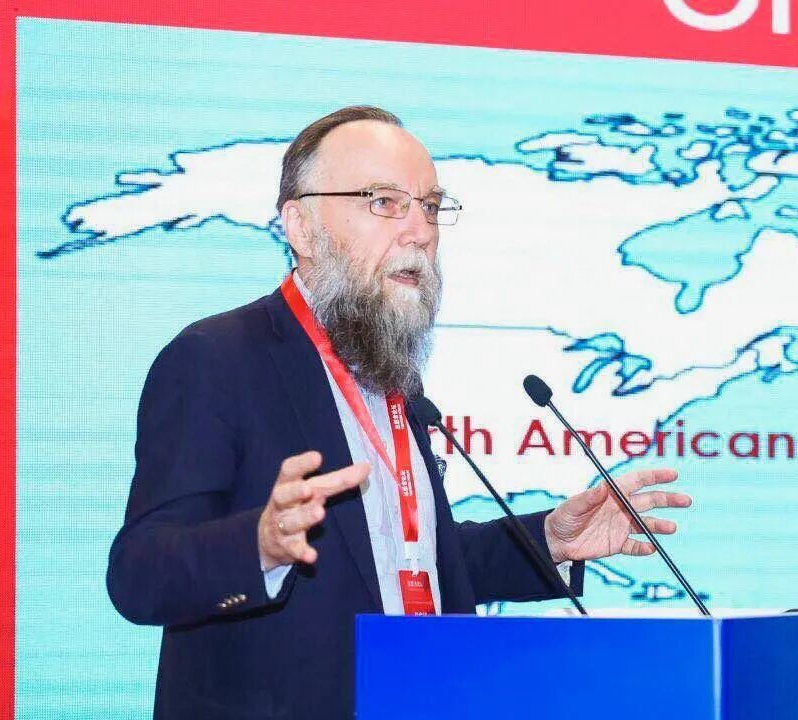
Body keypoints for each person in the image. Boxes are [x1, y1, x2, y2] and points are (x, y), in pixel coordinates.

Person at [106, 105, 692, 720]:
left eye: (431, 206)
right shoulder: (217, 358)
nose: (421, 232)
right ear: (301, 226)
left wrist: (548, 540)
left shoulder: (389, 370)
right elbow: (139, 574)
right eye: (384, 202)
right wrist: (258, 546)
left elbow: (406, 562)